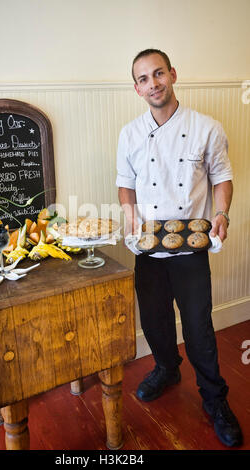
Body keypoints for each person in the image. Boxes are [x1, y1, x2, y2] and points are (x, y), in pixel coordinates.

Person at [116, 48, 242, 448]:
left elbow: (222, 177)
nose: (152, 83)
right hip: (148, 245)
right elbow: (126, 183)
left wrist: (221, 213)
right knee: (153, 321)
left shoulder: (207, 127)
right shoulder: (130, 134)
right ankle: (167, 368)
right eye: (143, 79)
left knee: (199, 328)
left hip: (191, 246)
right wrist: (129, 215)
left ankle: (215, 399)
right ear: (136, 88)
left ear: (172, 74)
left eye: (158, 74)